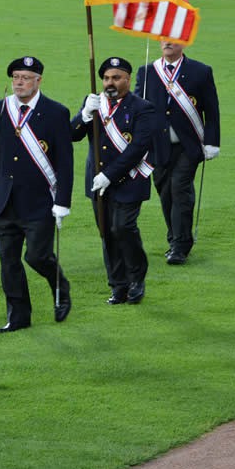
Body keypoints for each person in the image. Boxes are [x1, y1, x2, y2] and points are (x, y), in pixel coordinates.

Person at [0, 56, 74, 332]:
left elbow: (65, 162)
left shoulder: (56, 112)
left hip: (40, 202)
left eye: (25, 77)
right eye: (16, 77)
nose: (19, 82)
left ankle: (59, 284)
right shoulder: (0, 109)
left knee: (36, 256)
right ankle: (18, 317)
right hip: (4, 200)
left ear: (38, 81)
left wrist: (63, 202)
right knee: (8, 263)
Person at [72, 57, 156, 305]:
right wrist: (85, 114)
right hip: (97, 183)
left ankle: (136, 279)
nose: (110, 82)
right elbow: (71, 135)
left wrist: (110, 175)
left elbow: (139, 147)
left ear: (128, 79)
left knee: (123, 228)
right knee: (107, 233)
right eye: (107, 78)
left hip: (129, 180)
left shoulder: (142, 108)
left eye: (116, 77)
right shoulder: (94, 103)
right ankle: (118, 285)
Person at [134, 40, 220, 265]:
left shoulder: (201, 71)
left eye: (173, 38)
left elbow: (211, 110)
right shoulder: (147, 71)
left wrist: (212, 142)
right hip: (157, 145)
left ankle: (180, 245)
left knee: (180, 187)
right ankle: (175, 237)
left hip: (189, 145)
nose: (168, 42)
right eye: (164, 38)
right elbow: (137, 110)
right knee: (165, 191)